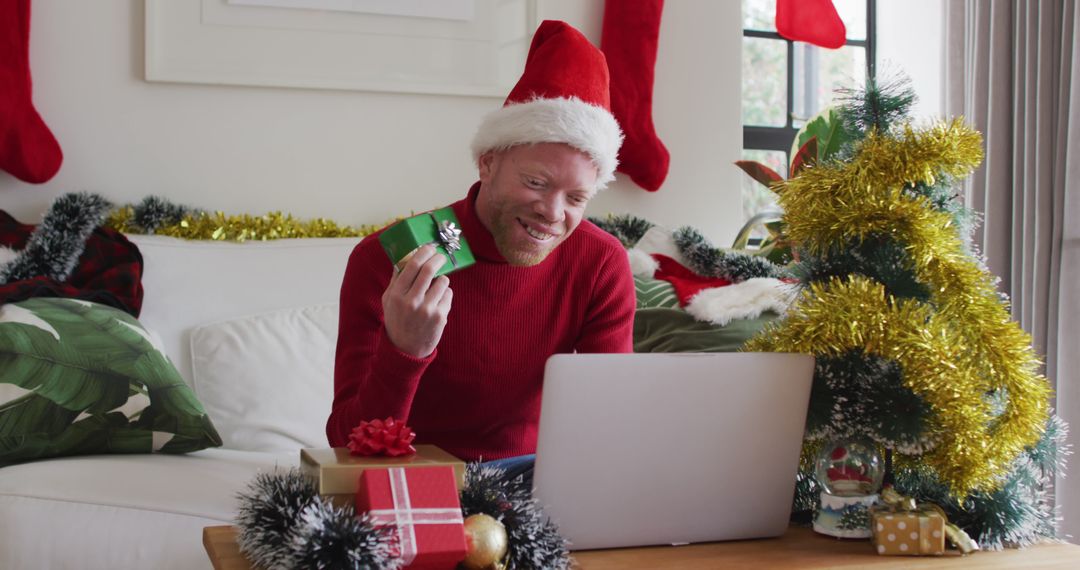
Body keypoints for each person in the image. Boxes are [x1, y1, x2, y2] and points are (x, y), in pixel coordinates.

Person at [326, 21, 635, 475]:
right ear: (488, 163)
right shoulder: (388, 257)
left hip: (536, 486)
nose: (552, 213)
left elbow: (609, 424)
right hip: (412, 485)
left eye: (575, 198)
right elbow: (345, 446)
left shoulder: (600, 261)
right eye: (536, 182)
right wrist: (405, 349)